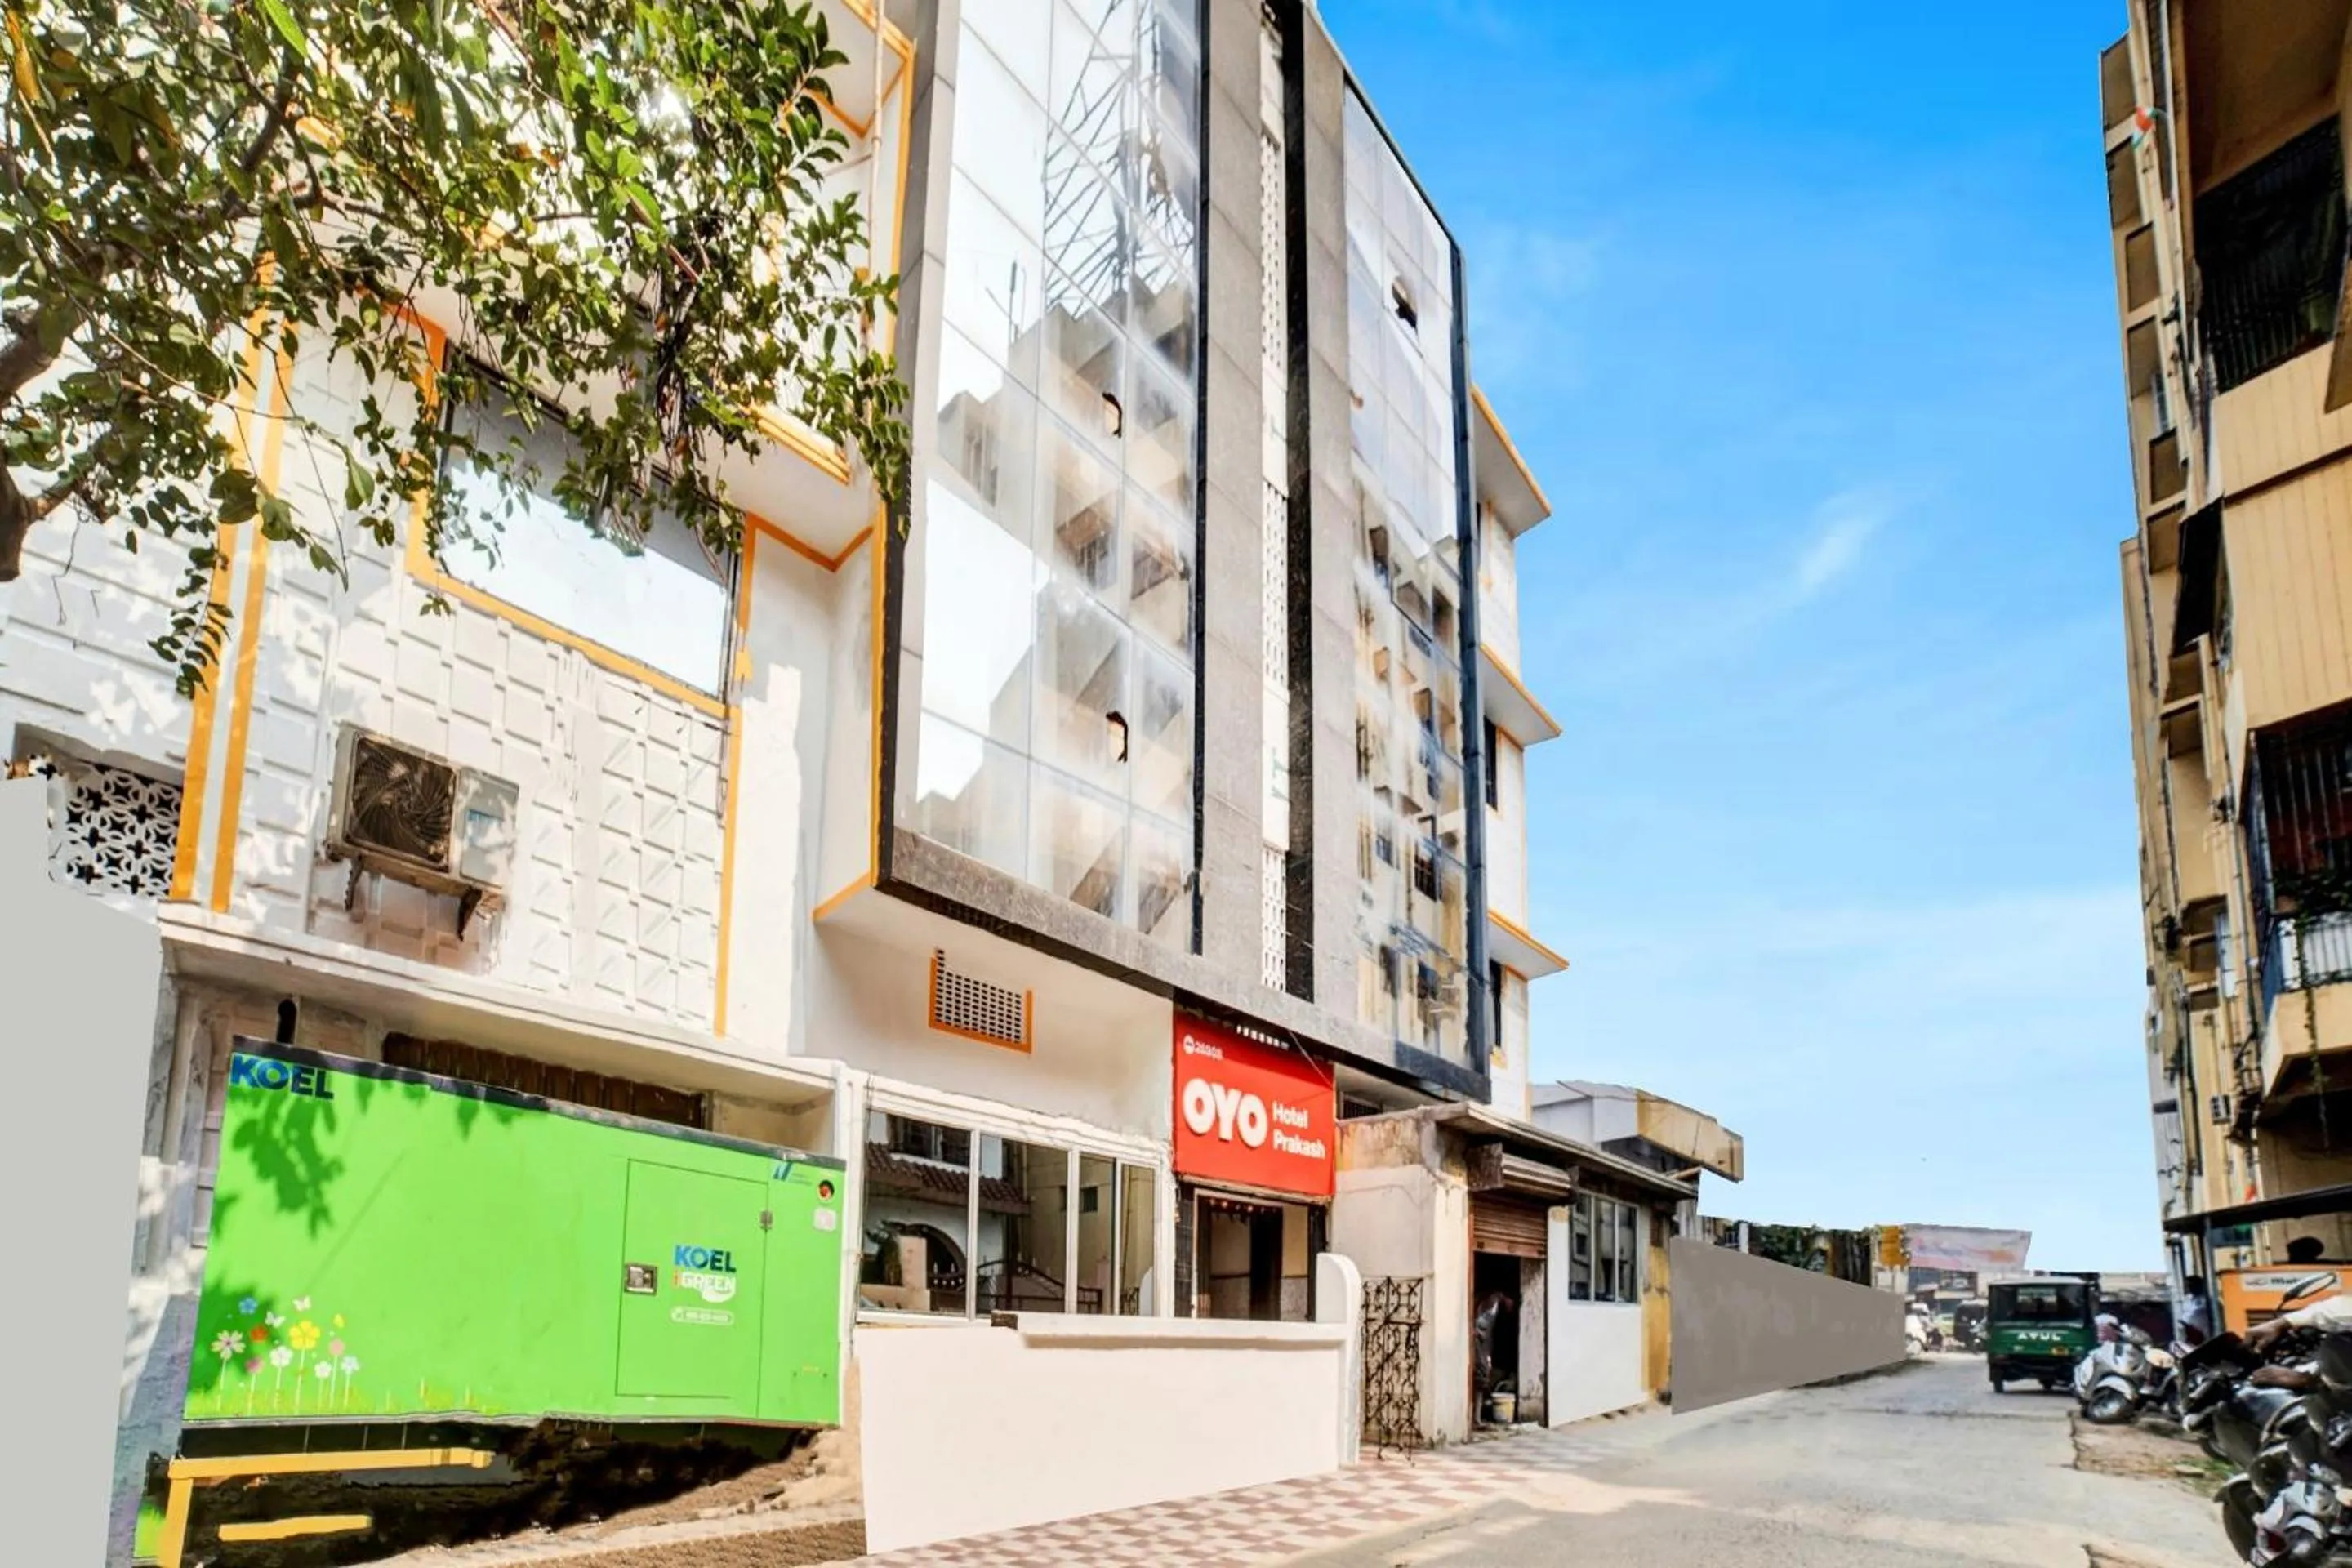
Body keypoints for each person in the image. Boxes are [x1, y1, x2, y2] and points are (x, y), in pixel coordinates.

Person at [2178, 1276, 2213, 1345]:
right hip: (2187, 1332)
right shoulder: (2187, 1299)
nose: (2190, 1288)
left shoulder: (2207, 1300)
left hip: (2201, 1333)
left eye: (2192, 1285)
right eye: (2188, 1285)